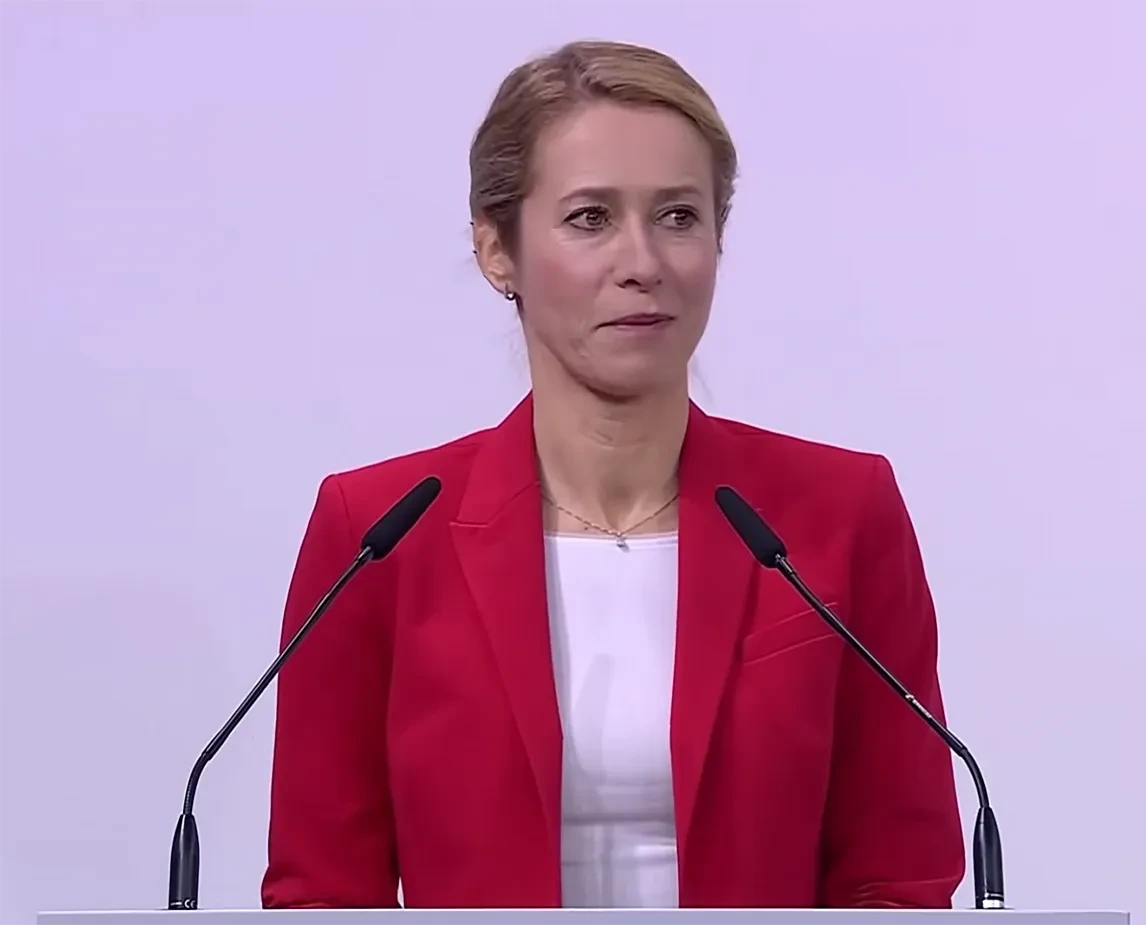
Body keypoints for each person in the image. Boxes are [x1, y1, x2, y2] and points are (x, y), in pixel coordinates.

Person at [261, 39, 964, 910]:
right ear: (496, 249)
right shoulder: (377, 533)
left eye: (678, 215)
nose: (643, 261)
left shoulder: (840, 513)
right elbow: (323, 893)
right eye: (591, 217)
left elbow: (898, 879)